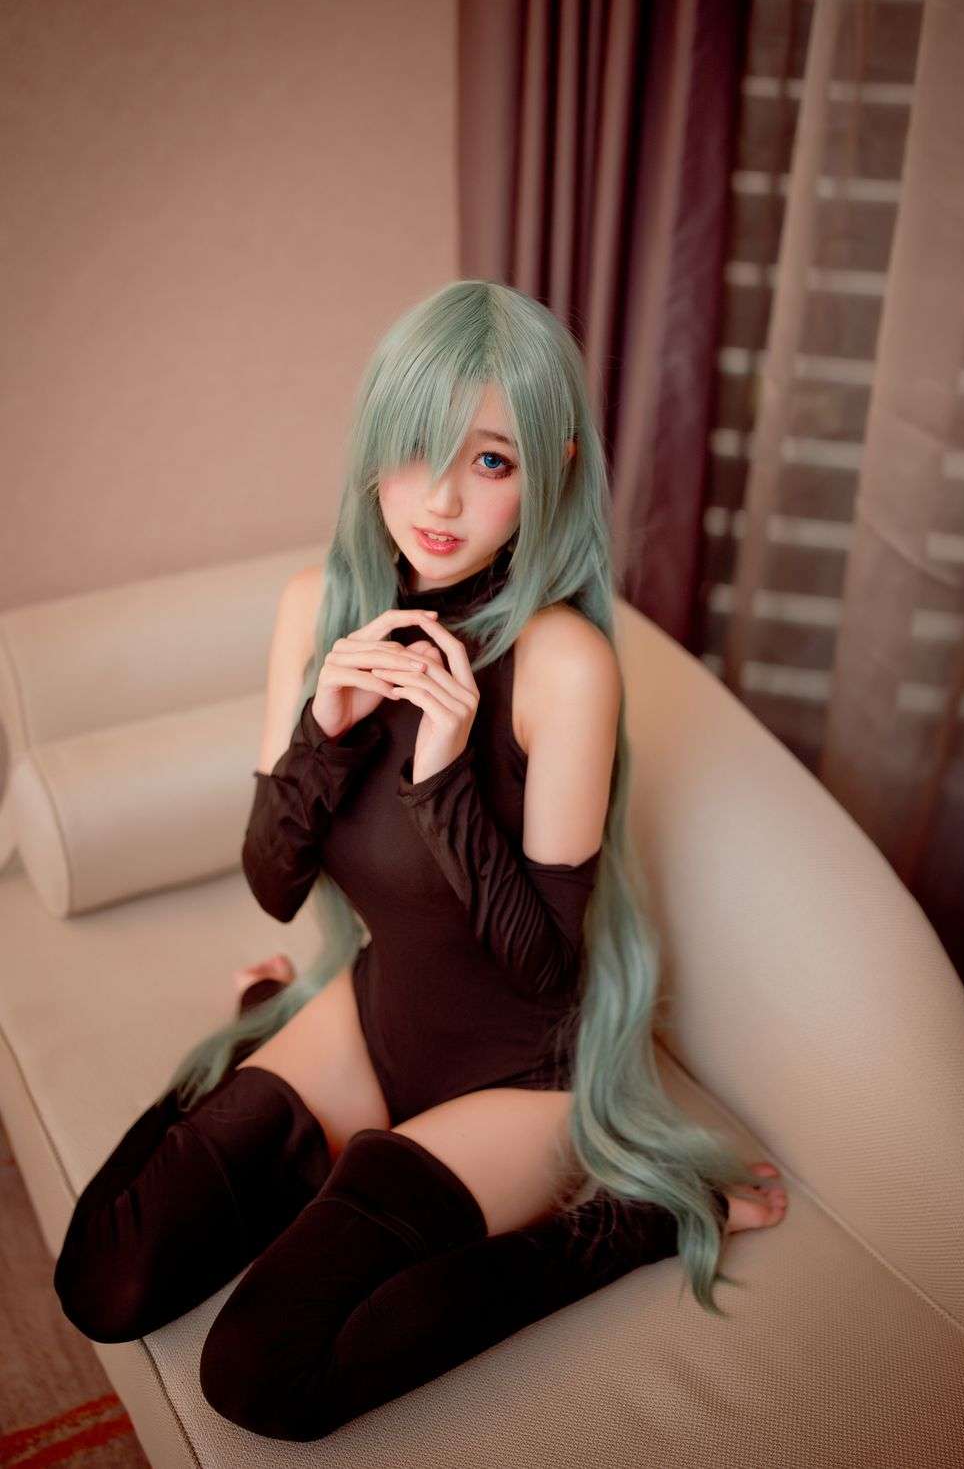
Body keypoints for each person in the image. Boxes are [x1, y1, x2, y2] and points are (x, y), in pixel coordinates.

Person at [53, 280, 787, 1440]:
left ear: (549, 466)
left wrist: (442, 774)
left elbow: (544, 971)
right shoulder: (319, 608)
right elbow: (274, 888)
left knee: (261, 1378)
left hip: (517, 1075)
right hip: (371, 1018)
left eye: (488, 461)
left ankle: (641, 1221)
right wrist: (326, 728)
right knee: (105, 1282)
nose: (438, 499)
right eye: (412, 450)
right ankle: (262, 1043)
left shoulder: (565, 664)